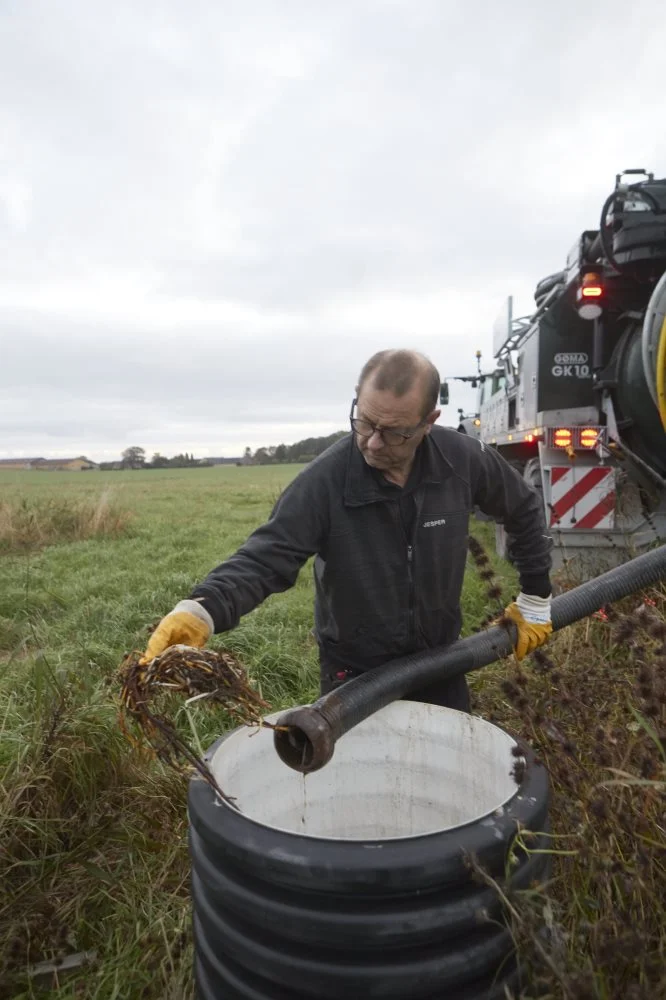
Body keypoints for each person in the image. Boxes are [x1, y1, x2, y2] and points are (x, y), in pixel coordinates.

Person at [141, 350, 552, 712]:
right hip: (353, 673)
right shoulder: (325, 480)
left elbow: (523, 507)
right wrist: (203, 609)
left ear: (429, 422)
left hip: (440, 661)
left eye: (393, 432)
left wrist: (535, 594)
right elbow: (266, 557)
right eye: (364, 422)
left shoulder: (462, 460)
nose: (372, 444)